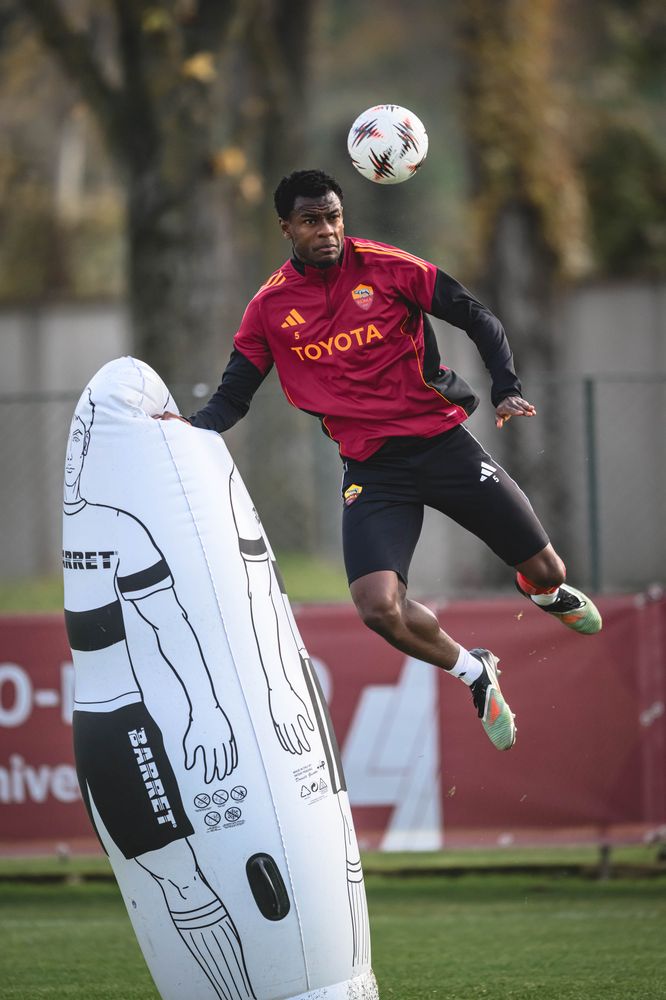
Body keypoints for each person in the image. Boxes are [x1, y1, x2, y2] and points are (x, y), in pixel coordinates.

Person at [160, 168, 602, 752]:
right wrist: (183, 431)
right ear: (286, 227)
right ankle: (475, 671)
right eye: (312, 221)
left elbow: (476, 315)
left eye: (334, 217)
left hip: (444, 446)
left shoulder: (390, 267)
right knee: (377, 608)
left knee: (550, 572)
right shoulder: (269, 308)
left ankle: (541, 593)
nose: (327, 231)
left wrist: (505, 386)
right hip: (373, 471)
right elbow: (232, 399)